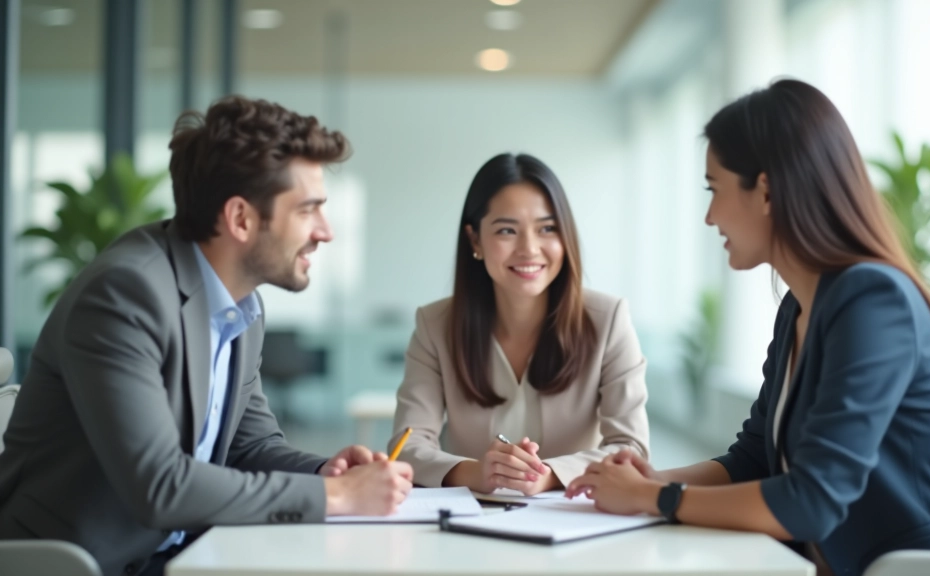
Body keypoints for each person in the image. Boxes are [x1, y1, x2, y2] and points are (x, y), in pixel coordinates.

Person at [565, 80, 930, 576]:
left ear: (765, 190)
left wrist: (656, 498)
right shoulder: (799, 305)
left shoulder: (874, 302)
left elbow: (809, 501)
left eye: (714, 189)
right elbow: (754, 460)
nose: (709, 217)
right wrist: (650, 481)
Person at [0, 97, 413, 576]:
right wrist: (335, 497)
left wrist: (327, 473)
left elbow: (249, 448)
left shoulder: (242, 306)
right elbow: (160, 487)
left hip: (178, 554)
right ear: (240, 219)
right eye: (308, 210)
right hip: (78, 564)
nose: (326, 232)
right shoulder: (124, 295)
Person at [388, 153, 650, 495]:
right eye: (507, 230)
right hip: (471, 522)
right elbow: (407, 445)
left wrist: (549, 474)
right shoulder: (435, 326)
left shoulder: (608, 320)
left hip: (572, 521)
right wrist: (478, 472)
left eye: (547, 228)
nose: (529, 249)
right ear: (475, 241)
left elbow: (631, 448)